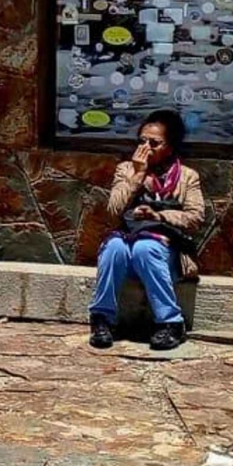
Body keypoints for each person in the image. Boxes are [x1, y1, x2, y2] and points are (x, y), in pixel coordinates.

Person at [88, 109, 204, 352]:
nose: (146, 147)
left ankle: (170, 323)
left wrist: (158, 215)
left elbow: (195, 217)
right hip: (126, 240)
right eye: (142, 141)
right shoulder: (126, 170)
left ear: (170, 148)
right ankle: (102, 320)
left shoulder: (187, 177)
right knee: (113, 247)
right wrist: (138, 174)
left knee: (145, 248)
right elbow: (113, 210)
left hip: (164, 250)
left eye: (154, 143)